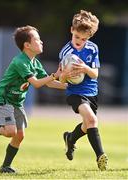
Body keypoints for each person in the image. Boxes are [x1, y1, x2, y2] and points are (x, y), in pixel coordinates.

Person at [0, 25, 67, 173]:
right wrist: (55, 75)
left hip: (17, 101)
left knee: (20, 135)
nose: (41, 42)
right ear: (27, 45)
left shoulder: (35, 62)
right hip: (4, 98)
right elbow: (36, 83)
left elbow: (48, 82)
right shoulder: (20, 61)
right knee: (10, 132)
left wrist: (69, 87)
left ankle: (5, 167)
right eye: (37, 39)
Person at [59, 10, 108, 170]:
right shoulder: (66, 52)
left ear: (89, 37)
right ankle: (101, 157)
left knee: (87, 126)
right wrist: (65, 74)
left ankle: (71, 138)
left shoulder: (93, 49)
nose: (79, 41)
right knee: (92, 121)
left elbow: (95, 74)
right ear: (72, 30)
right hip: (74, 93)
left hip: (91, 92)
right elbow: (62, 80)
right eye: (77, 37)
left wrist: (85, 68)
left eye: (84, 39)